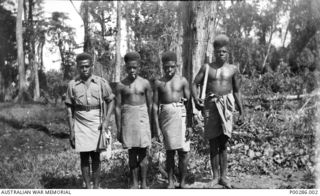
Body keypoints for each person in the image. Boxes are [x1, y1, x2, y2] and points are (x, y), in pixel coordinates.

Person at [191, 34, 244, 188]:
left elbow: (237, 91)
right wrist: (196, 99)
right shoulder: (207, 68)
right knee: (213, 142)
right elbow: (195, 84)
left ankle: (224, 176)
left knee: (224, 141)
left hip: (227, 106)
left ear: (228, 53)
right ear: (214, 52)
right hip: (211, 105)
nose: (221, 54)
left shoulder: (233, 70)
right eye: (218, 52)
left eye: (224, 52)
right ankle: (215, 177)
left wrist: (242, 111)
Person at [65, 52, 115, 189]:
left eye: (87, 66)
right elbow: (69, 109)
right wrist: (71, 130)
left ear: (91, 66)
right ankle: (88, 187)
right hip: (80, 122)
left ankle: (96, 186)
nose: (84, 69)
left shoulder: (100, 83)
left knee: (96, 156)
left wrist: (105, 122)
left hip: (96, 122)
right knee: (84, 157)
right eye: (81, 67)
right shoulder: (72, 85)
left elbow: (111, 101)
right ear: (78, 67)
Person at [153, 51, 192, 189]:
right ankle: (170, 181)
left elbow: (189, 103)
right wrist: (156, 127)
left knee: (183, 151)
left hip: (181, 115)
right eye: (166, 67)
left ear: (176, 66)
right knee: (170, 151)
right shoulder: (159, 83)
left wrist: (189, 125)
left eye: (172, 67)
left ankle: (182, 182)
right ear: (163, 67)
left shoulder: (182, 81)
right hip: (166, 117)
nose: (169, 70)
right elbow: (154, 105)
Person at [114, 52, 153, 189]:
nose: (132, 70)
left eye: (134, 67)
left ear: (139, 67)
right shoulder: (121, 85)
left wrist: (152, 126)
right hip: (128, 119)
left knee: (143, 153)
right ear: (126, 67)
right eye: (129, 68)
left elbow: (151, 106)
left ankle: (144, 183)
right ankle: (134, 183)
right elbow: (117, 108)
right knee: (132, 153)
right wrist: (119, 129)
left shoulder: (145, 83)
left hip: (142, 118)